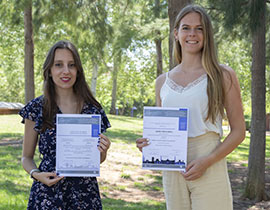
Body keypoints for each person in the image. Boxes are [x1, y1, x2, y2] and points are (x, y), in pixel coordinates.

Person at [136, 4, 245, 210]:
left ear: (207, 34)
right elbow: (161, 129)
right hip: (171, 167)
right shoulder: (162, 82)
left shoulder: (222, 75)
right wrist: (148, 144)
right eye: (186, 28)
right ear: (176, 33)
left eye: (200, 28)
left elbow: (238, 131)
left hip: (209, 160)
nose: (192, 34)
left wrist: (208, 160)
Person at [19, 40, 111, 210]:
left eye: (71, 65)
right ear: (50, 70)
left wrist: (103, 152)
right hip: (48, 193)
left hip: (85, 194)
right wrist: (37, 175)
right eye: (59, 65)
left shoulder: (93, 109)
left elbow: (96, 161)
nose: (66, 71)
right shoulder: (36, 108)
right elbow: (26, 158)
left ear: (78, 70)